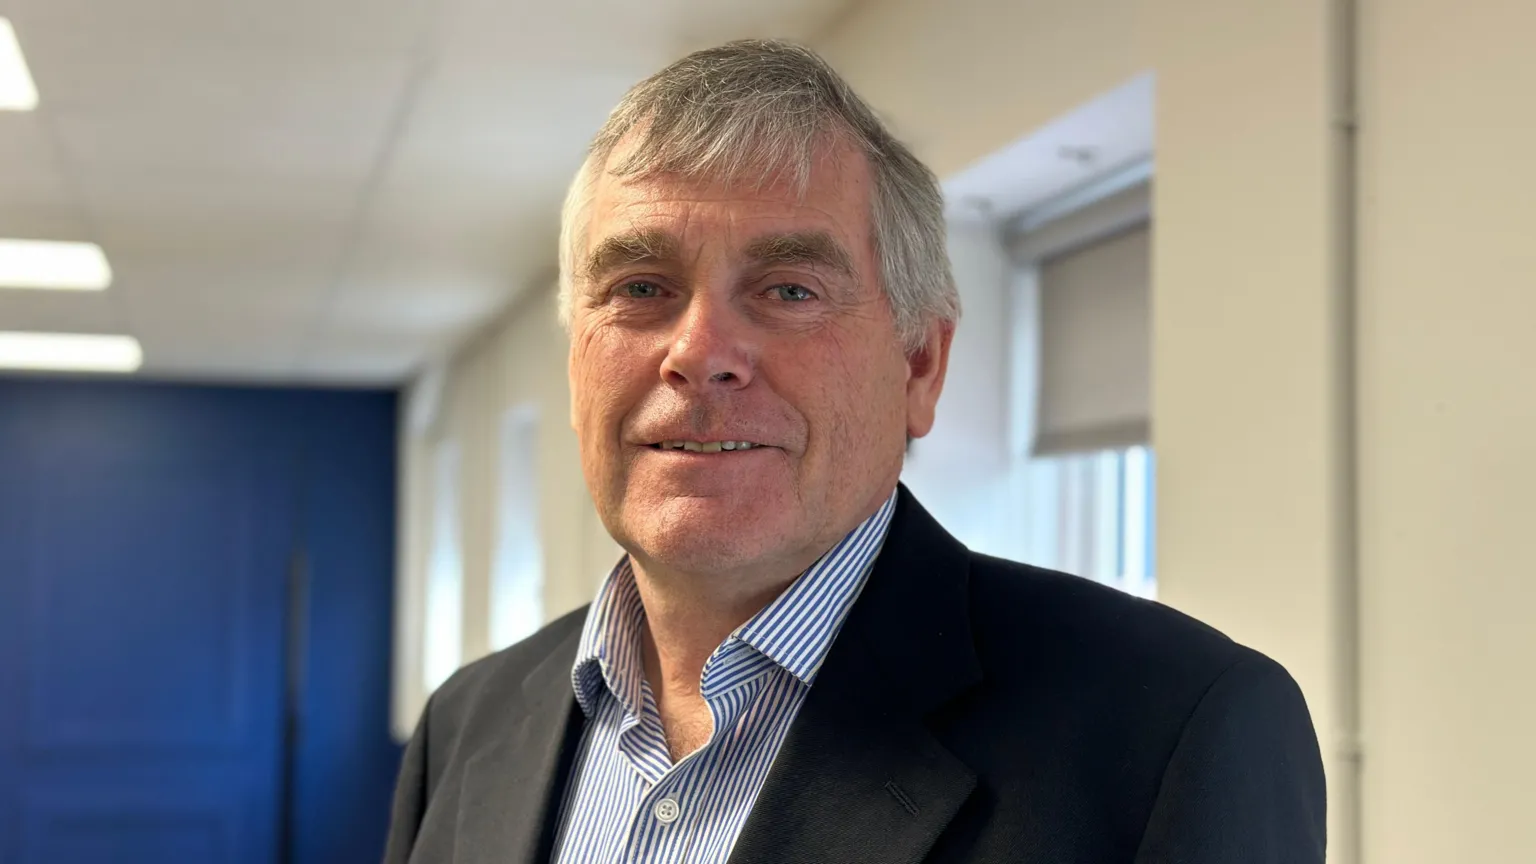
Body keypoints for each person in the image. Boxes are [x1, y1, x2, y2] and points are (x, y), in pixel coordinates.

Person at [382, 39, 1325, 864]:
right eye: (639, 287)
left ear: (919, 364)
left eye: (789, 290)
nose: (699, 353)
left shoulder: (1173, 736)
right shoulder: (468, 729)